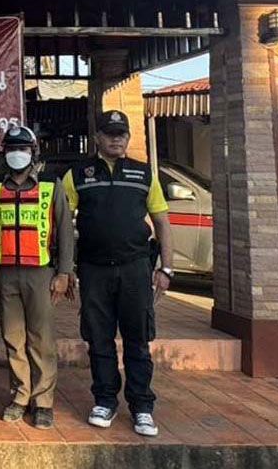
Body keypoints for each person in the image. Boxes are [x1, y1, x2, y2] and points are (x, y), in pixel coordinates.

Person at [63, 110, 173, 437]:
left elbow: (162, 222)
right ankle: (105, 400)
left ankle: (141, 406)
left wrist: (166, 268)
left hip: (136, 269)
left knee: (138, 340)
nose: (116, 138)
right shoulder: (77, 175)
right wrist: (66, 268)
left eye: (121, 133)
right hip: (94, 270)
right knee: (99, 338)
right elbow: (63, 226)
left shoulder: (144, 175)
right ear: (97, 137)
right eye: (109, 133)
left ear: (128, 137)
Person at [0, 125, 75, 429]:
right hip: (4, 273)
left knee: (41, 339)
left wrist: (64, 272)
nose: (16, 154)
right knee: (13, 338)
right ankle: (20, 395)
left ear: (33, 152)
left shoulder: (51, 185)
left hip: (41, 272)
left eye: (22, 148)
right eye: (11, 148)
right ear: (3, 153)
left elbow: (65, 230)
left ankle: (43, 401)